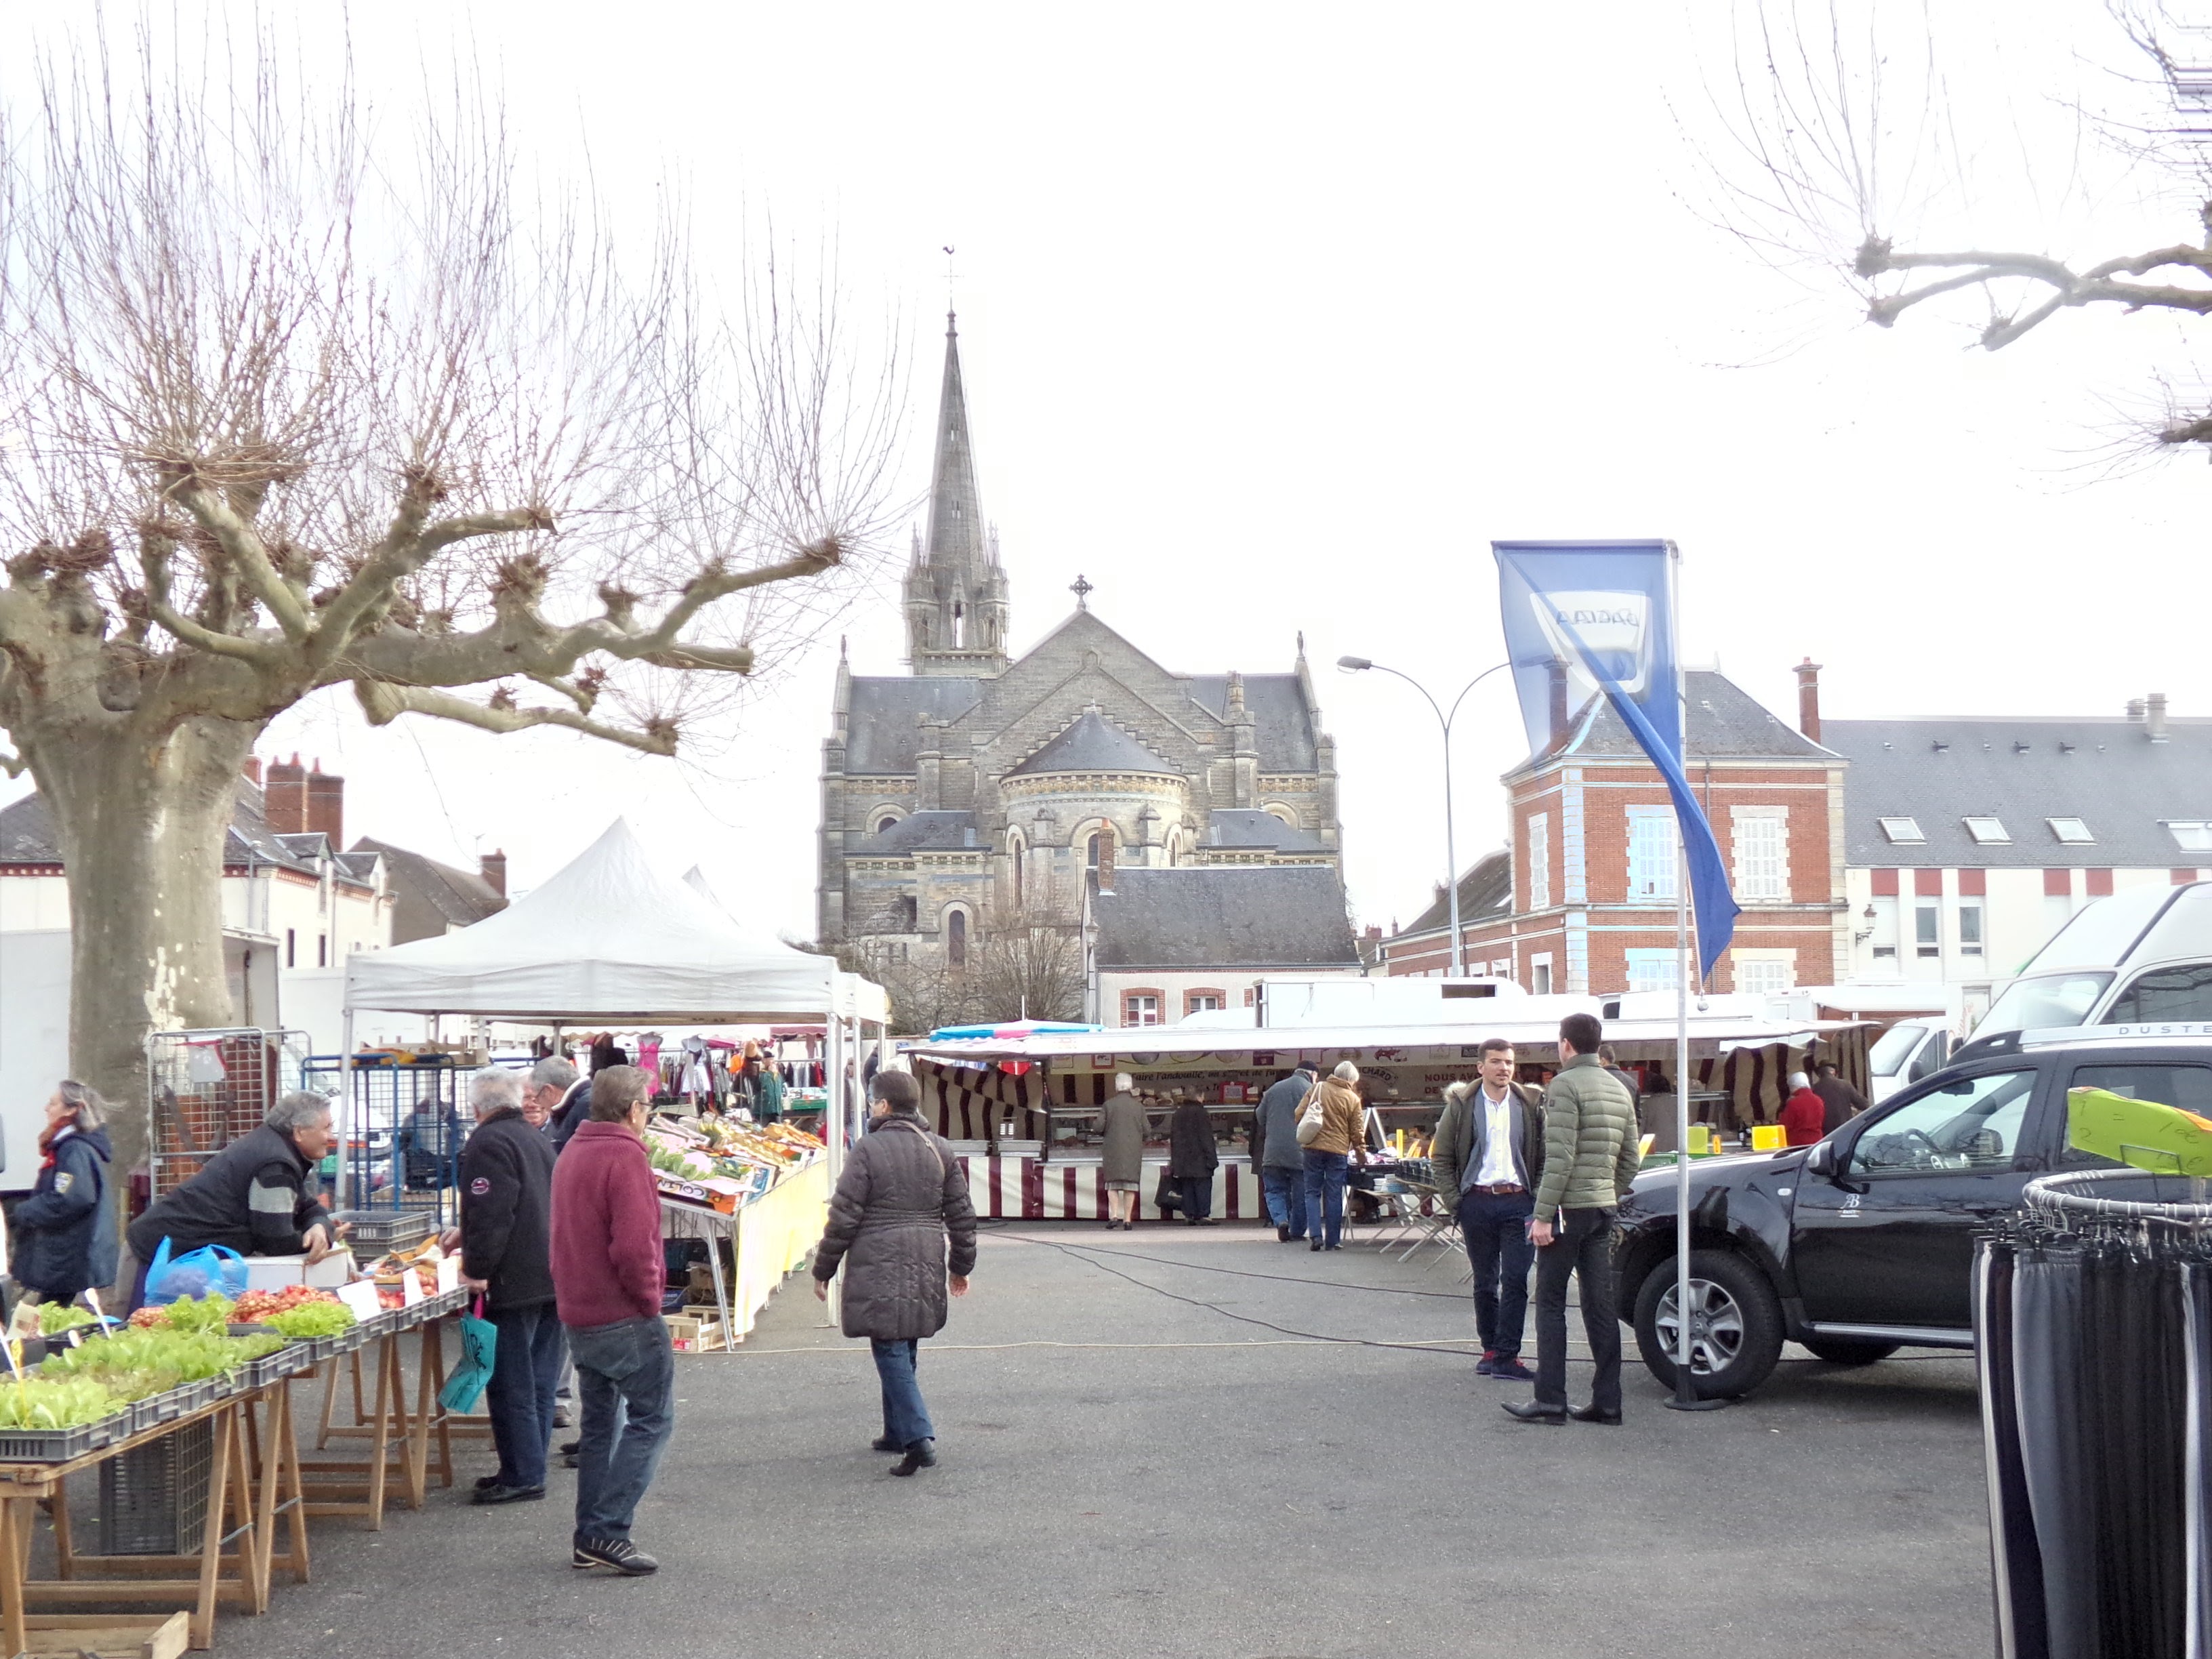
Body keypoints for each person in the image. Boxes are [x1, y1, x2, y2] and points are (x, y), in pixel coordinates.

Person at [811, 1071, 977, 1477]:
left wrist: (823, 1268)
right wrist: (960, 1267)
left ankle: (918, 1438)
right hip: (924, 1253)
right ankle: (895, 1431)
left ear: (885, 1105)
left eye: (872, 1100)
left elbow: (844, 1215)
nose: (870, 1106)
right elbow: (962, 1214)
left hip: (878, 1256)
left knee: (889, 1347)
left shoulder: (868, 1149)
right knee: (906, 1342)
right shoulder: (939, 1148)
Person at [550, 1065, 674, 1576]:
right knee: (651, 1419)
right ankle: (607, 1529)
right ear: (634, 1110)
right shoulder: (624, 1156)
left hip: (580, 1310)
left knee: (602, 1424)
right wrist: (650, 1302)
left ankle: (590, 1535)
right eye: (647, 1106)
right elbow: (634, 1246)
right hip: (621, 1314)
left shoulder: (573, 1150)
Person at [1505, 1014, 1640, 1426]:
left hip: (1567, 1209)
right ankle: (1608, 1401)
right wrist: (1609, 1192)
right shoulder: (1618, 1088)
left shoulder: (1563, 1085)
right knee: (1600, 1306)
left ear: (1565, 1044)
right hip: (1602, 1208)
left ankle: (1550, 1400)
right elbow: (1631, 1158)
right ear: (1598, 1045)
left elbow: (1559, 1159)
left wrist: (1542, 1215)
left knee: (1549, 1303)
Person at [125, 1092, 345, 1309]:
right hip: (154, 1258)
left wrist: (319, 1227)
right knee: (135, 1333)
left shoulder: (274, 1148)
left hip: (177, 1258)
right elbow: (276, 1240)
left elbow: (308, 1207)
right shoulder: (275, 1164)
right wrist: (319, 1239)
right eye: (326, 1128)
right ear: (299, 1132)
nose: (331, 1136)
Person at [459, 1068, 562, 1506]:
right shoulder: (535, 1137)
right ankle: (528, 1465)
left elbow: (491, 1212)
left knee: (512, 1382)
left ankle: (522, 1473)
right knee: (538, 1381)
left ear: (477, 1106)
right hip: (550, 1274)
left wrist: (477, 1267)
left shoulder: (487, 1143)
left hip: (512, 1278)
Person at [1430, 1040, 1544, 1382]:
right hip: (1476, 1202)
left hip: (1518, 1202)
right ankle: (1490, 1350)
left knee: (1515, 1279)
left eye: (1509, 1062)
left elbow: (1545, 1155)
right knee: (1484, 1282)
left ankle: (1508, 1355)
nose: (1504, 1068)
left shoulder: (1530, 1104)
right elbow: (1441, 1157)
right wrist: (1456, 1202)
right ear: (1480, 1067)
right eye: (1496, 1062)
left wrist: (1536, 1199)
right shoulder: (1461, 1104)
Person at [12, 1082, 117, 1307]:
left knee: (53, 1327)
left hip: (71, 1263)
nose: (46, 1108)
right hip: (70, 1263)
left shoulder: (74, 1150)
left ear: (72, 1109)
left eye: (53, 1103)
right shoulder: (73, 1147)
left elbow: (72, 1198)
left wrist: (22, 1211)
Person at [1300, 1061, 1367, 1253]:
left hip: (1312, 1147)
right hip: (1338, 1152)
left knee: (1312, 1192)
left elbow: (1298, 1115)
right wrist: (1361, 1154)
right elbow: (1357, 1132)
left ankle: (1315, 1236)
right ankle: (1333, 1241)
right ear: (1350, 1080)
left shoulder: (1317, 1088)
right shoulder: (1352, 1099)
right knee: (1334, 1194)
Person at [1254, 1065, 1316, 1243]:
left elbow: (1260, 1117)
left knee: (1274, 1190)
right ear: (1312, 1074)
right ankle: (1297, 1231)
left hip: (1273, 1151)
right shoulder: (1311, 1090)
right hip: (1301, 1152)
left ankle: (1281, 1220)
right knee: (1302, 1194)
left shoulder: (1274, 1089)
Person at [1098, 1074, 1147, 1231]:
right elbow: (1147, 1130)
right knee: (1130, 1186)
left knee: (1112, 1185)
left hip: (1112, 1150)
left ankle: (1113, 1216)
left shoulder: (1108, 1105)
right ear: (1130, 1087)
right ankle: (1127, 1220)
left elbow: (1098, 1127)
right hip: (1132, 1150)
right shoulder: (1138, 1107)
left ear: (1117, 1087)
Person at [1167, 1093, 1219, 1226]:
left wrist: (1174, 1160)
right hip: (1200, 1158)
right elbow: (1206, 1138)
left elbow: (1174, 1138)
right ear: (1199, 1097)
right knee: (1203, 1186)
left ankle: (1188, 1215)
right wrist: (1212, 1159)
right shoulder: (1202, 1113)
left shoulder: (1178, 1113)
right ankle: (1203, 1215)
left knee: (1187, 1186)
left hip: (1183, 1158)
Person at [521, 1057, 580, 1136]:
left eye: (538, 1097)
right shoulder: (507, 1135)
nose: (533, 1104)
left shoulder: (569, 1125)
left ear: (549, 1092)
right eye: (526, 1097)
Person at [1811, 1061, 1870, 1136]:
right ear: (1833, 1072)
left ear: (1819, 1074)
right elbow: (1864, 1105)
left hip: (1825, 1132)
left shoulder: (1814, 1089)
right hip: (1844, 1129)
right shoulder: (1845, 1085)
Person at [1597, 1044, 1643, 1134]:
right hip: (1625, 1136)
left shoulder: (1596, 1080)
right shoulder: (1632, 1083)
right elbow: (1637, 1118)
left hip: (1602, 1136)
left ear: (1602, 1061)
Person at [1780, 1071, 1826, 1147]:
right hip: (1817, 1140)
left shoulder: (1793, 1102)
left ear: (1794, 1086)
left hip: (1798, 1142)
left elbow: (1785, 1125)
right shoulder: (1819, 1100)